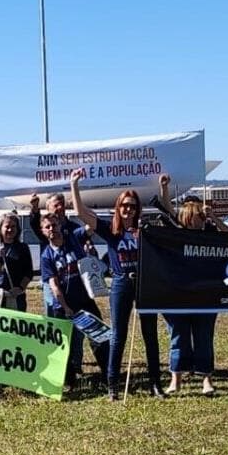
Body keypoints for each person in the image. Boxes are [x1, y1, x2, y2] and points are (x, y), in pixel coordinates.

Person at [70, 170, 164, 400]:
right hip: (121, 283)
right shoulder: (111, 230)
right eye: (124, 205)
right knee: (118, 335)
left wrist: (164, 190)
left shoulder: (144, 231)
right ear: (118, 207)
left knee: (150, 333)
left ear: (137, 209)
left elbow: (168, 217)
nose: (128, 209)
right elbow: (81, 213)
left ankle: (155, 384)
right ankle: (113, 385)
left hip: (143, 285)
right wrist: (74, 184)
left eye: (132, 206)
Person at [159, 174, 228, 396]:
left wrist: (214, 218)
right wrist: (165, 187)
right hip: (179, 294)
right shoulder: (177, 235)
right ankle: (176, 379)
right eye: (193, 216)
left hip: (206, 294)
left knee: (204, 336)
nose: (197, 220)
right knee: (179, 335)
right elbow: (166, 208)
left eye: (199, 216)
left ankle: (206, 380)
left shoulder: (210, 234)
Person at [39, 214, 110, 390]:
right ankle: (70, 381)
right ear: (42, 231)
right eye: (47, 227)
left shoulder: (74, 239)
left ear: (60, 225)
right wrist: (66, 307)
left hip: (85, 301)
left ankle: (109, 377)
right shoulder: (46, 256)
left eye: (54, 225)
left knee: (99, 339)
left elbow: (91, 227)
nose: (51, 229)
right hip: (63, 307)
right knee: (64, 345)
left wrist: (82, 209)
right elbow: (54, 285)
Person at [0, 213, 33, 312]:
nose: (10, 230)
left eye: (13, 226)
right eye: (7, 227)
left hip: (16, 296)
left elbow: (28, 272)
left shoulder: (23, 247)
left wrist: (20, 288)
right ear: (0, 228)